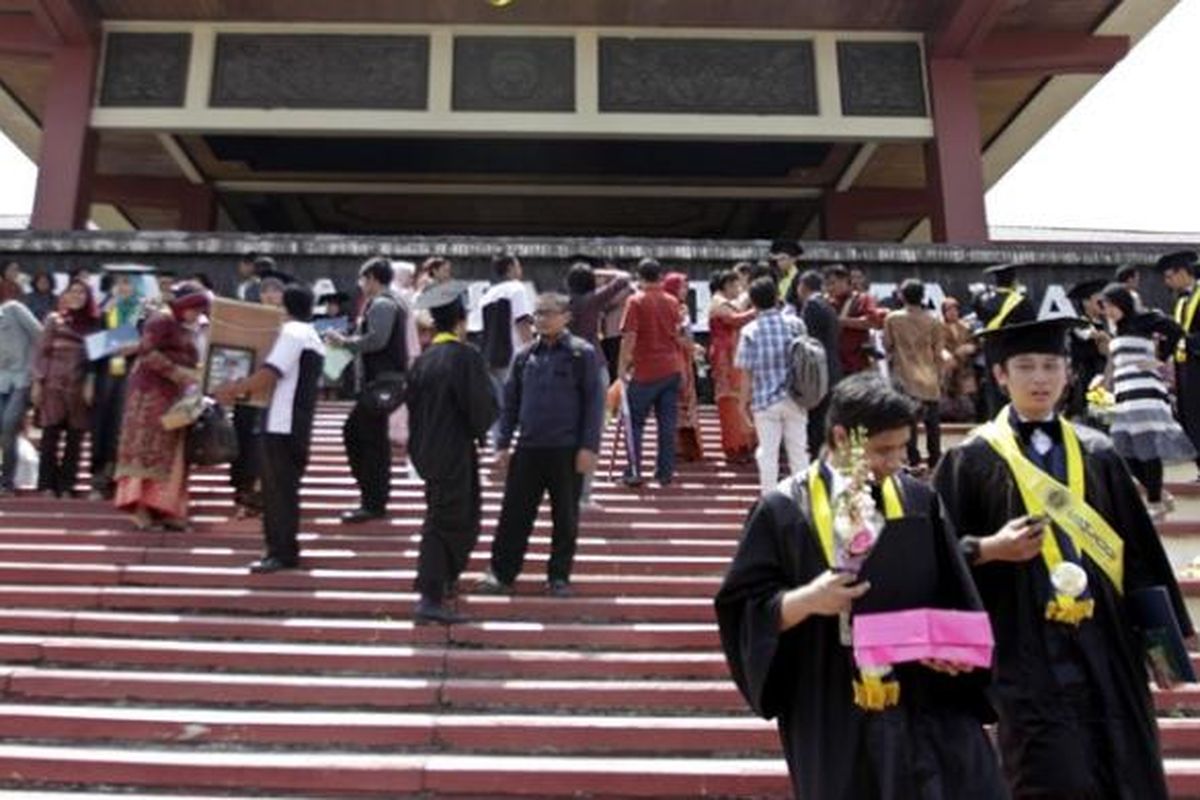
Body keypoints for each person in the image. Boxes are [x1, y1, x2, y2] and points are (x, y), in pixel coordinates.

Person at [934, 315, 1191, 800]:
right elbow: (939, 553)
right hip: (1023, 648)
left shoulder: (1098, 452)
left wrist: (1164, 649)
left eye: (1051, 365)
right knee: (1046, 774)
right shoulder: (972, 459)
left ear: (1069, 373)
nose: (1039, 379)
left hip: (1107, 643)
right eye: (1025, 367)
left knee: (1124, 767)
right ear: (1000, 375)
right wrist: (987, 550)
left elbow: (1136, 556)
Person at [715, 372, 1007, 800]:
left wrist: (951, 651)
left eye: (902, 447)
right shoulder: (781, 510)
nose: (895, 460)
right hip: (830, 697)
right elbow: (743, 608)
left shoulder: (917, 499)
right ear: (840, 436)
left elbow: (953, 592)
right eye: (882, 449)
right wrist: (808, 600)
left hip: (923, 697)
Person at [477, 292, 602, 599]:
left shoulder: (581, 354)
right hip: (529, 448)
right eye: (537, 314)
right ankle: (502, 573)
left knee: (565, 517)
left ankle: (558, 577)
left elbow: (594, 404)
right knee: (514, 514)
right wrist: (502, 445)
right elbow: (510, 405)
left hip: (567, 449)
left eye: (548, 313)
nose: (541, 319)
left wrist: (589, 447)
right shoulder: (524, 356)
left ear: (566, 316)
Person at [214, 284, 325, 573]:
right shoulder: (312, 334)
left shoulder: (292, 333)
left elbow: (271, 372)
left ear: (284, 308)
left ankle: (280, 552)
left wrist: (233, 389)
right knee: (283, 490)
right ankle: (283, 549)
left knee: (277, 491)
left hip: (281, 423)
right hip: (296, 423)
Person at [406, 281, 498, 624]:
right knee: (448, 520)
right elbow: (480, 408)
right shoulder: (464, 357)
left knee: (445, 514)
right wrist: (483, 428)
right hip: (454, 450)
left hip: (427, 449)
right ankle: (430, 595)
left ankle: (440, 581)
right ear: (461, 321)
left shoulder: (424, 359)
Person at [114, 283, 209, 531]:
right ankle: (140, 508)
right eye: (194, 309)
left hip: (176, 397)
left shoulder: (185, 327)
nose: (196, 314)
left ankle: (166, 508)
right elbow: (146, 351)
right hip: (150, 394)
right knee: (145, 449)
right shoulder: (161, 320)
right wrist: (179, 373)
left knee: (173, 453)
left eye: (200, 310)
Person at [325, 257, 410, 523]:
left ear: (372, 278)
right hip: (381, 382)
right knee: (371, 440)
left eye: (363, 279)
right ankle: (374, 497)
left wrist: (344, 342)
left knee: (359, 435)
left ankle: (372, 499)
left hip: (381, 382)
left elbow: (377, 340)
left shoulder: (383, 304)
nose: (361, 285)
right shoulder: (390, 302)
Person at [1100, 284, 1194, 519]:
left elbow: (1176, 330)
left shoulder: (1144, 320)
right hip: (1124, 394)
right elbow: (1115, 360)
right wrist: (1105, 382)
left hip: (1145, 393)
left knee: (1148, 447)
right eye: (1106, 307)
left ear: (1122, 303)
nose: (1108, 311)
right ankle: (1159, 494)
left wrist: (1160, 359)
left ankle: (1154, 502)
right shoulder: (1117, 329)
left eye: (1111, 305)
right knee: (1124, 451)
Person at [565, 258, 632, 505]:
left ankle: (567, 491)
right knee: (591, 433)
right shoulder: (592, 300)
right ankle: (583, 495)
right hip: (594, 367)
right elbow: (624, 279)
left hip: (568, 371)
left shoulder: (566, 304)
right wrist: (599, 271)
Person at [736, 277, 809, 493]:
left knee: (768, 453)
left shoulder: (750, 330)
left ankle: (769, 498)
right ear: (778, 297)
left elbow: (746, 373)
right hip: (796, 396)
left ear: (753, 302)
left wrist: (742, 406)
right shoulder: (796, 324)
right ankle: (802, 498)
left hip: (764, 400)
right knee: (798, 451)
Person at [617, 258, 686, 487]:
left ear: (640, 277)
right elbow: (679, 333)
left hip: (646, 369)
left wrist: (622, 366)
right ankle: (664, 473)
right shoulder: (673, 301)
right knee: (666, 423)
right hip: (671, 366)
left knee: (635, 422)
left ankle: (634, 471)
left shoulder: (635, 301)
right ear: (660, 276)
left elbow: (629, 337)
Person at [31, 280, 100, 498]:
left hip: (80, 388)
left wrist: (91, 382)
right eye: (73, 292)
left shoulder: (95, 324)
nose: (77, 296)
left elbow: (96, 359)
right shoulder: (55, 319)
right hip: (53, 385)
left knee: (74, 439)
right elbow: (41, 352)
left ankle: (66, 485)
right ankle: (47, 485)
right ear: (66, 295)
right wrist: (37, 382)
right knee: (50, 436)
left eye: (82, 292)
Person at [90, 267, 148, 500]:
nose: (123, 287)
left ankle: (122, 479)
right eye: (120, 283)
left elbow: (148, 342)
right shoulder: (107, 311)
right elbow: (95, 346)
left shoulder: (144, 312)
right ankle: (100, 478)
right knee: (103, 424)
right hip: (107, 374)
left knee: (123, 426)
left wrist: (135, 345)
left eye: (128, 283)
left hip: (133, 374)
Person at [883, 279, 944, 470]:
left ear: (901, 296)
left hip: (904, 378)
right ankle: (935, 460)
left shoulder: (893, 319)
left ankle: (913, 460)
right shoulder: (934, 320)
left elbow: (887, 345)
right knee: (932, 424)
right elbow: (938, 352)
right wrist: (939, 377)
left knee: (908, 423)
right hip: (929, 377)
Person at [1157, 250, 1200, 481]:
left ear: (1184, 272)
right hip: (1186, 368)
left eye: (1170, 276)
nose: (1168, 282)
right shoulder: (1182, 300)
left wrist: (1189, 340)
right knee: (1188, 416)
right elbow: (1177, 333)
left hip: (1197, 363)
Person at [480, 254, 534, 437]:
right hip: (514, 354)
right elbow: (522, 322)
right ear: (511, 267)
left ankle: (499, 446)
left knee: (499, 407)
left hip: (491, 357)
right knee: (520, 405)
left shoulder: (487, 294)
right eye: (518, 265)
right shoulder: (517, 289)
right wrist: (532, 350)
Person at [973, 263, 1037, 417]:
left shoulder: (984, 301)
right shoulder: (1022, 301)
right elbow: (1031, 328)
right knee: (1013, 387)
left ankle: (996, 420)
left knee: (994, 387)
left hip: (991, 349)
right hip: (1014, 350)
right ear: (1014, 281)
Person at [791, 269, 841, 458]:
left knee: (816, 421)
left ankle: (816, 462)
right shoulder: (827, 304)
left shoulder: (811, 305)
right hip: (832, 367)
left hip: (818, 371)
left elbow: (807, 342)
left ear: (802, 287)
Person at [707, 269, 756, 464]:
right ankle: (734, 446)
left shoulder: (727, 302)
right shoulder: (718, 302)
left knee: (738, 400)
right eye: (736, 285)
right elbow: (735, 321)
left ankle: (742, 444)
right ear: (727, 285)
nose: (739, 288)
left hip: (733, 356)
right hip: (724, 358)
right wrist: (758, 309)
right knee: (730, 402)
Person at [0, 298, 42, 496]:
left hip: (22, 378)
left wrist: (37, 375)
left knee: (8, 424)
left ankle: (6, 481)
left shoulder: (14, 310)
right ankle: (6, 481)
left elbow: (41, 336)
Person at [661, 272, 703, 462]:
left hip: (683, 357)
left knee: (684, 401)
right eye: (681, 287)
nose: (685, 291)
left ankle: (684, 446)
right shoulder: (672, 309)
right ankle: (678, 446)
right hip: (674, 358)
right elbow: (675, 335)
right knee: (679, 401)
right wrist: (691, 346)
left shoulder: (682, 307)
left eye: (686, 287)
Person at [1065, 278, 1111, 423]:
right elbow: (1097, 339)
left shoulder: (1107, 324)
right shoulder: (1080, 324)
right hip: (1085, 377)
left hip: (1106, 376)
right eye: (1098, 300)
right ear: (1086, 302)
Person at [825, 264, 882, 377]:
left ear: (845, 281)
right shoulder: (826, 303)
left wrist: (841, 321)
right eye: (827, 284)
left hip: (857, 364)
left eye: (833, 283)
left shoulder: (862, 299)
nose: (830, 288)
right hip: (834, 365)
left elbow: (872, 322)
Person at [938, 297, 979, 423]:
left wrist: (971, 348)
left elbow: (974, 343)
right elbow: (937, 346)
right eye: (949, 310)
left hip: (964, 367)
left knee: (968, 399)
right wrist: (948, 355)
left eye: (955, 309)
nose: (953, 312)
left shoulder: (965, 327)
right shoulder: (938, 327)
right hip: (946, 368)